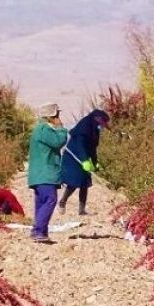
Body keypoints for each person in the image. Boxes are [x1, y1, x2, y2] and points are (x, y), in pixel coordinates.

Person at [27, 102, 69, 244]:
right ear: (51, 117)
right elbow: (58, 142)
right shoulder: (44, 129)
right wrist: (61, 129)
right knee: (50, 199)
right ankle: (39, 231)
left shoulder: (39, 129)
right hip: (45, 173)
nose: (59, 118)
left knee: (41, 202)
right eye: (57, 115)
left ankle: (39, 232)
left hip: (38, 174)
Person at [59, 109, 109, 215]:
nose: (101, 126)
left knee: (84, 183)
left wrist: (95, 163)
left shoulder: (94, 129)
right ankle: (63, 201)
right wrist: (85, 160)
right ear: (97, 120)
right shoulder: (84, 126)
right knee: (74, 181)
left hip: (84, 157)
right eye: (101, 124)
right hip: (73, 157)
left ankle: (82, 210)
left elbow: (92, 148)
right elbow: (79, 145)